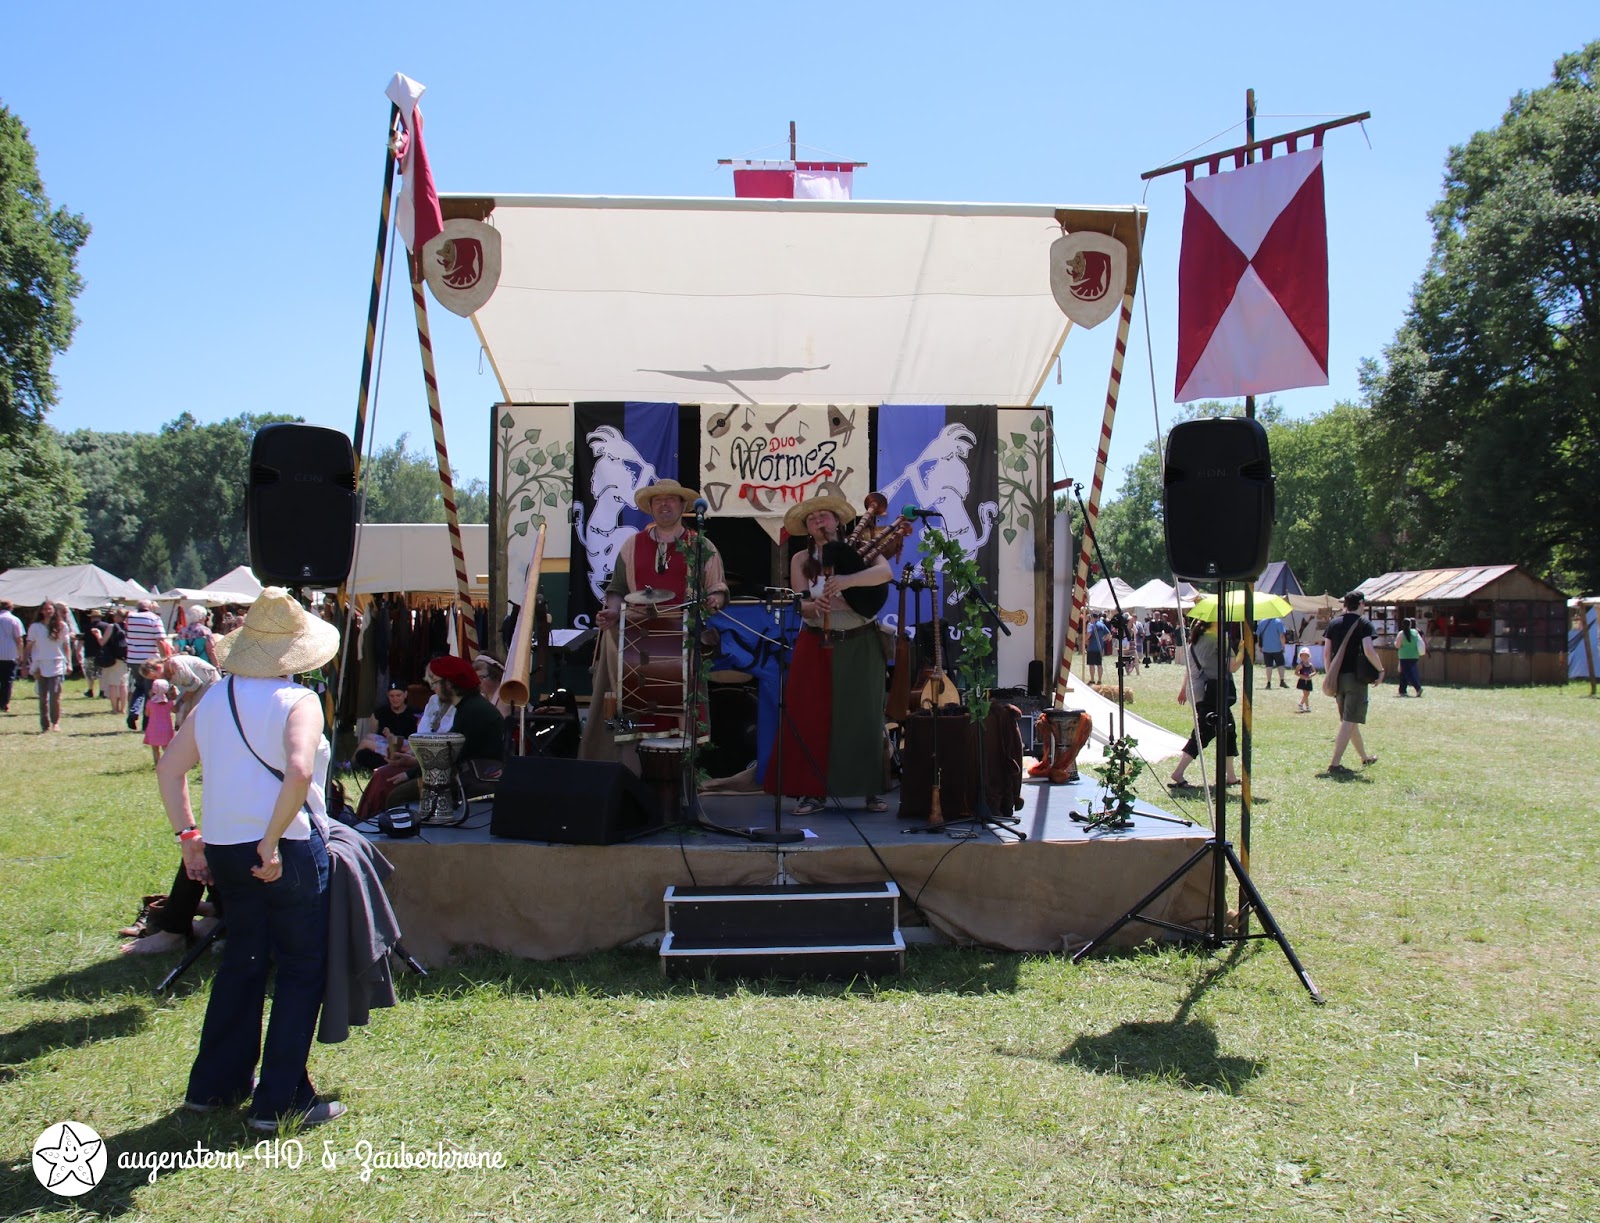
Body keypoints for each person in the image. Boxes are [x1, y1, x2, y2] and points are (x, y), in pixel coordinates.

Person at [154, 586, 345, 1131]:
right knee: (300, 969)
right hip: (284, 846)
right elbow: (300, 771)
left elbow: (169, 770)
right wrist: (271, 839)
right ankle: (281, 1098)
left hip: (225, 847)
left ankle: (215, 1086)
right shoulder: (298, 700)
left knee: (243, 960)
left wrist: (188, 836)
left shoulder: (214, 697)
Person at [579, 477, 730, 763]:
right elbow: (617, 591)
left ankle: (681, 782)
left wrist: (715, 601)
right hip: (635, 641)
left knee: (684, 711)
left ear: (683, 505)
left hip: (682, 638)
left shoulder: (702, 545)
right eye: (658, 500)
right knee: (622, 702)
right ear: (649, 507)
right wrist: (611, 612)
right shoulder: (631, 545)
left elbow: (718, 588)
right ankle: (628, 770)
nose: (664, 504)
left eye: (671, 499)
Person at [764, 494, 892, 815]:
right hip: (817, 639)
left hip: (861, 640)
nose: (819, 521)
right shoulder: (800, 560)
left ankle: (870, 788)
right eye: (812, 518)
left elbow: (884, 574)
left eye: (825, 515)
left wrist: (847, 581)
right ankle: (811, 792)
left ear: (837, 520)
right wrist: (814, 604)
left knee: (865, 714)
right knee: (810, 715)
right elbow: (800, 602)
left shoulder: (863, 549)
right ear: (807, 528)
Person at [1168, 617, 1243, 788]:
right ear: (1216, 623)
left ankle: (1230, 776)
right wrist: (1242, 651)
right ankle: (1178, 773)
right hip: (1213, 693)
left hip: (1200, 692)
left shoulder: (1194, 641)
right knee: (1203, 734)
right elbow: (1232, 666)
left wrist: (1183, 689)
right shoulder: (1218, 640)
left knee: (1229, 731)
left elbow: (1190, 670)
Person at [1323, 592, 1385, 775]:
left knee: (1349, 720)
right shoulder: (1364, 624)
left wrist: (1330, 675)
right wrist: (1380, 670)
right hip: (1356, 678)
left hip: (1337, 678)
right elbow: (1368, 649)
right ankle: (1334, 764)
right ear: (1361, 604)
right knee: (1350, 720)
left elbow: (1327, 653)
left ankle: (1364, 757)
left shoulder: (1334, 623)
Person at [23, 601, 73, 733]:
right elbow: (28, 645)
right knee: (43, 696)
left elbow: (66, 646)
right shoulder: (35, 627)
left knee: (55, 694)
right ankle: (44, 725)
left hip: (56, 661)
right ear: (41, 611)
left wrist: (69, 663)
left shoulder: (61, 626)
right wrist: (24, 664)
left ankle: (55, 722)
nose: (47, 611)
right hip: (39, 663)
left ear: (54, 610)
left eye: (50, 609)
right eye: (45, 609)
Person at [352, 683, 420, 771]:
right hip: (385, 747)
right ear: (388, 696)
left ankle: (350, 765)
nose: (395, 699)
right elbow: (373, 734)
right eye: (392, 696)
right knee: (364, 750)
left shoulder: (415, 713)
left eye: (398, 695)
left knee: (365, 743)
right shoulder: (380, 712)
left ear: (405, 695)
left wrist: (391, 737)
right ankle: (386, 764)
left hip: (405, 748)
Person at [141, 653, 223, 727]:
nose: (155, 679)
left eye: (154, 677)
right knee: (187, 715)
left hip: (208, 680)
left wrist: (179, 703)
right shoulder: (165, 672)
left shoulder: (176, 666)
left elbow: (194, 686)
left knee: (198, 712)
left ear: (159, 668)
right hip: (195, 685)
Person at [124, 599, 166, 731]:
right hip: (149, 659)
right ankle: (146, 724)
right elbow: (160, 639)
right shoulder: (154, 619)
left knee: (139, 687)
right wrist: (164, 657)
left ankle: (133, 712)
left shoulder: (130, 618)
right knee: (150, 691)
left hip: (133, 658)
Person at [98, 609, 130, 715]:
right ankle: (123, 708)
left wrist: (97, 634)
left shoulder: (112, 626)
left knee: (113, 684)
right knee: (123, 684)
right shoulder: (128, 627)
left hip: (113, 658)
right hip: (125, 658)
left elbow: (102, 642)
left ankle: (115, 708)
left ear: (117, 616)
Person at [0, 599, 25, 714]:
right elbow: (19, 639)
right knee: (7, 680)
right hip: (10, 654)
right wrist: (20, 654)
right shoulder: (14, 620)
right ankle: (4, 703)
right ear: (11, 608)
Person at [144, 678, 176, 765]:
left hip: (153, 729)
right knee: (166, 748)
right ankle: (169, 763)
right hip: (166, 729)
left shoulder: (150, 703)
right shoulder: (169, 703)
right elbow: (175, 710)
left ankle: (157, 765)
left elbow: (147, 714)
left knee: (155, 749)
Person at [1396, 617, 1427, 697]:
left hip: (1404, 656)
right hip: (1414, 656)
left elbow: (1397, 645)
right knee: (1405, 672)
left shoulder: (1401, 633)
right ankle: (1402, 690)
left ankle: (1418, 688)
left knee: (1407, 673)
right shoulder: (1415, 632)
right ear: (1410, 625)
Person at [1257, 614, 1289, 688]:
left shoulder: (1262, 622)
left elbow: (1259, 635)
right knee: (1280, 664)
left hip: (1266, 648)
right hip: (1277, 648)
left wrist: (1260, 646)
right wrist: (1283, 646)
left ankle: (1268, 682)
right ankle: (1282, 681)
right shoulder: (1278, 622)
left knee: (1268, 666)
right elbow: (1282, 635)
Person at [1084, 613, 1112, 685]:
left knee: (1091, 664)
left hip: (1092, 647)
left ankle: (1092, 679)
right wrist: (1103, 640)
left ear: (1092, 618)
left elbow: (1089, 634)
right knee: (1099, 664)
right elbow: (1109, 635)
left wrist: (1084, 640)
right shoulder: (1102, 625)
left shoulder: (1091, 625)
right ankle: (1099, 680)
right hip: (1100, 647)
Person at [1294, 647, 1316, 713]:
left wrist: (1310, 675)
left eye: (1306, 655)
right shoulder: (1300, 665)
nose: (1304, 657)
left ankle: (1307, 707)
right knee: (1306, 694)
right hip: (1303, 681)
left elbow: (1314, 672)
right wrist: (1302, 676)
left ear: (1309, 656)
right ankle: (1301, 704)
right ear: (1300, 656)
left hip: (1308, 681)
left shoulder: (1310, 665)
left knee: (1307, 694)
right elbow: (1296, 672)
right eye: (1303, 655)